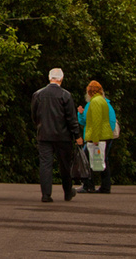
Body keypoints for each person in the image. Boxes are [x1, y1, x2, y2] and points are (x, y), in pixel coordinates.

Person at [31, 68, 82, 202]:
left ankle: (46, 194)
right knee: (65, 164)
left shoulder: (38, 94)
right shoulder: (65, 95)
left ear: (49, 78)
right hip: (63, 135)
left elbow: (34, 114)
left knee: (45, 164)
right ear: (61, 78)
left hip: (44, 134)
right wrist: (77, 135)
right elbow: (71, 118)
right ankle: (67, 191)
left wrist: (39, 125)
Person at [77, 80, 116, 193]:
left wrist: (95, 138)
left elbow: (96, 121)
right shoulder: (103, 101)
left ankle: (88, 185)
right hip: (104, 135)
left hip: (98, 136)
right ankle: (105, 186)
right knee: (102, 160)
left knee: (87, 160)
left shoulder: (95, 102)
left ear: (89, 91)